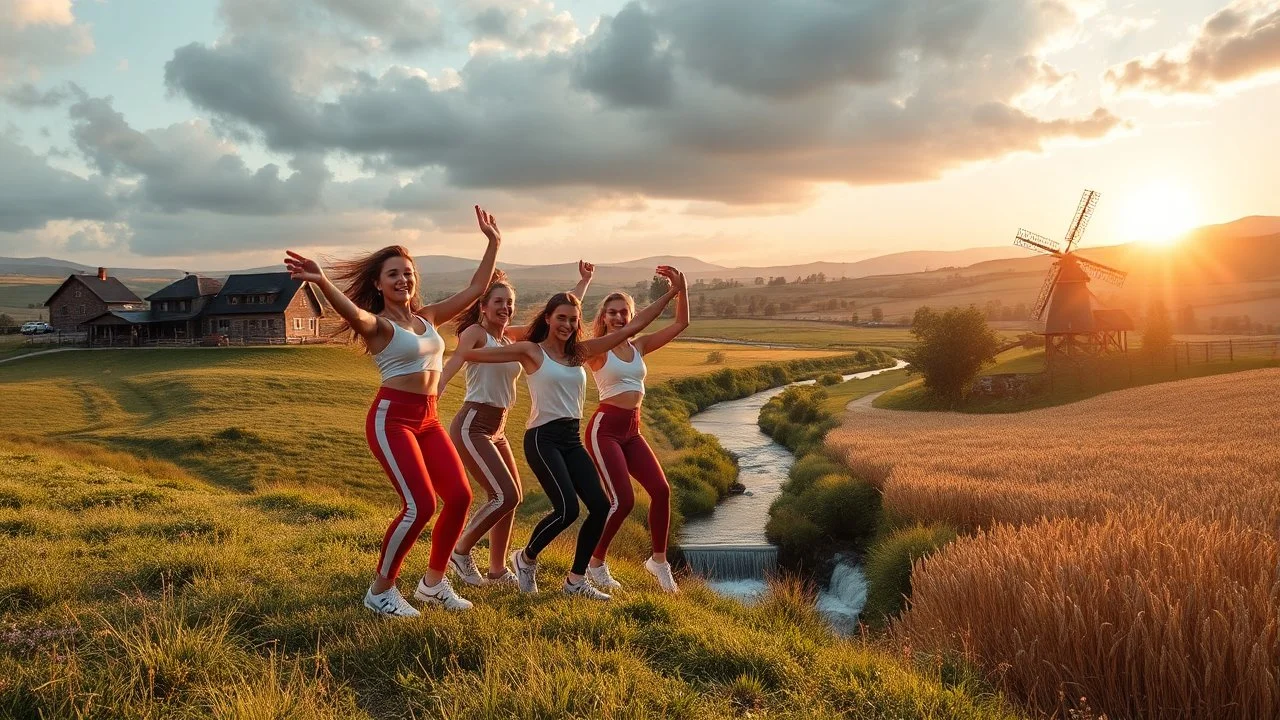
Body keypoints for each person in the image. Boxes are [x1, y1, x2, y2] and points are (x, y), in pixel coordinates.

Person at [283, 206, 501, 617]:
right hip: (392, 419)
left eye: (408, 273)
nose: (403, 279)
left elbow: (475, 289)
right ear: (379, 284)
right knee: (420, 504)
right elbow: (355, 314)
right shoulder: (380, 325)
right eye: (393, 274)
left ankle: (433, 585)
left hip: (429, 418)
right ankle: (381, 591)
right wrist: (324, 282)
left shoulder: (428, 318)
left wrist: (493, 243)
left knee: (458, 496)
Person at [458, 268, 681, 600]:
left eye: (573, 320)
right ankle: (525, 558)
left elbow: (635, 326)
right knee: (567, 510)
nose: (567, 325)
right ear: (548, 318)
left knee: (602, 505)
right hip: (542, 439)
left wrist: (673, 293)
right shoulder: (531, 350)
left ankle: (576, 580)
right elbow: (473, 353)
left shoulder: (581, 353)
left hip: (571, 438)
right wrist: (467, 343)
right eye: (561, 318)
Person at [437, 261, 596, 587]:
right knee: (503, 495)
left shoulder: (510, 339)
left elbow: (562, 316)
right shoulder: (476, 333)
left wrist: (583, 284)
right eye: (498, 302)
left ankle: (497, 571)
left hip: (499, 426)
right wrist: (434, 392)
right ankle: (460, 551)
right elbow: (457, 358)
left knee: (514, 497)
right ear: (483, 306)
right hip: (473, 423)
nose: (506, 308)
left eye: (510, 303)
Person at [582, 270, 689, 593]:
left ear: (629, 314)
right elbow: (638, 324)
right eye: (611, 312)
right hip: (605, 430)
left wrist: (682, 291)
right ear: (603, 317)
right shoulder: (598, 348)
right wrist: (670, 293)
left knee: (661, 491)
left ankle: (658, 562)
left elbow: (680, 324)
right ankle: (594, 564)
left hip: (632, 430)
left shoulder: (639, 346)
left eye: (623, 311)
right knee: (622, 501)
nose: (618, 316)